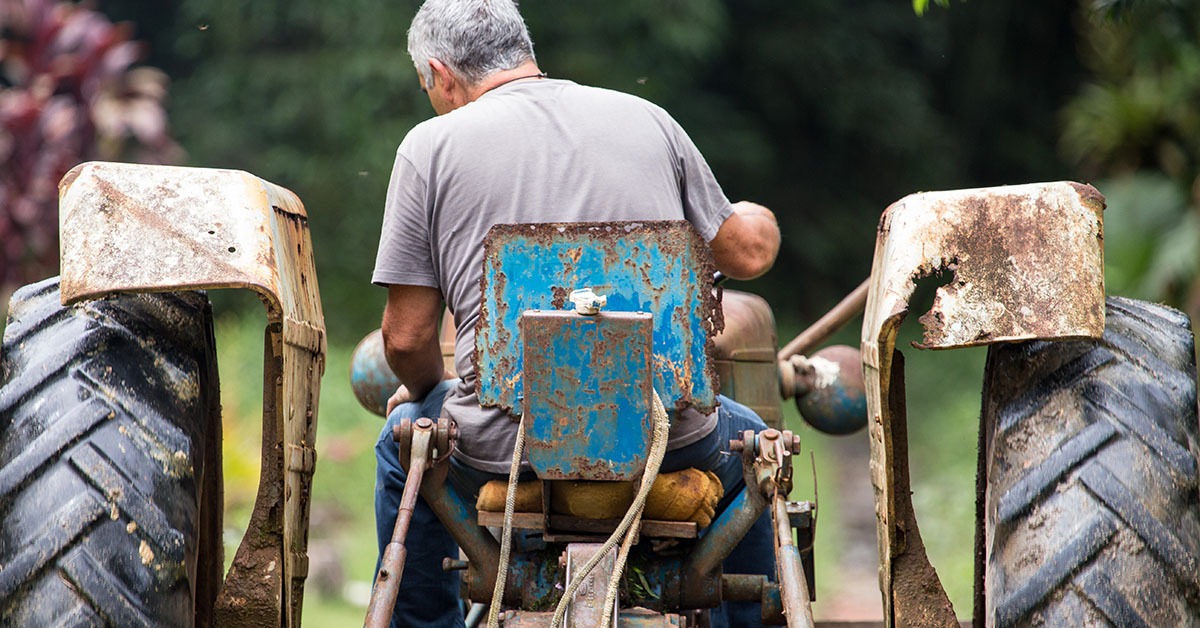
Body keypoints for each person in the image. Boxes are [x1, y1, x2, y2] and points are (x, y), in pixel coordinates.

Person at [372, 1, 782, 625]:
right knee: (751, 438)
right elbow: (746, 251)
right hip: (665, 441)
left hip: (501, 445)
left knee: (401, 443)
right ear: (523, 48)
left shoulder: (427, 147)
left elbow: (405, 339)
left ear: (441, 74)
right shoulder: (648, 120)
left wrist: (432, 393)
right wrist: (759, 219)